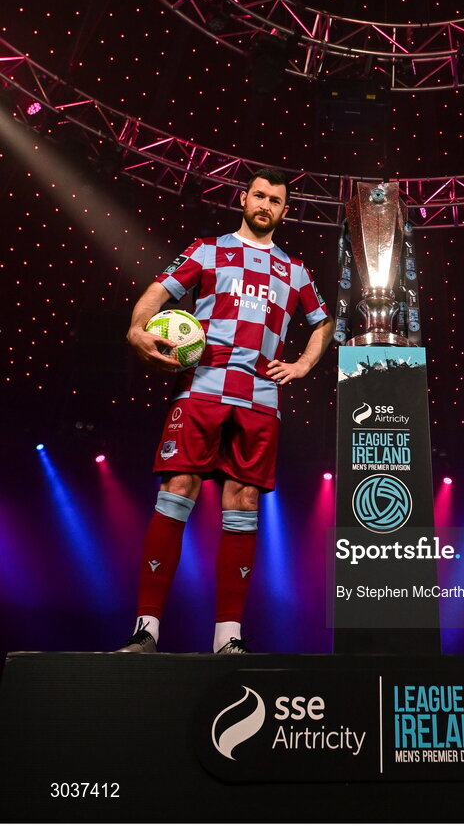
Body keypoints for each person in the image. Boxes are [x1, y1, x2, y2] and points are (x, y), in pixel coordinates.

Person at [117, 168, 333, 654]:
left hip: (260, 396)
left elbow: (324, 322)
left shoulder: (295, 270)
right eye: (259, 195)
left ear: (284, 211)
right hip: (201, 387)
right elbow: (157, 292)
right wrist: (136, 328)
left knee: (245, 503)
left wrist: (302, 364)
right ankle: (146, 630)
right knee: (177, 489)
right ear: (243, 199)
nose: (265, 205)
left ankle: (227, 639)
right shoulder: (206, 250)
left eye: (275, 200)